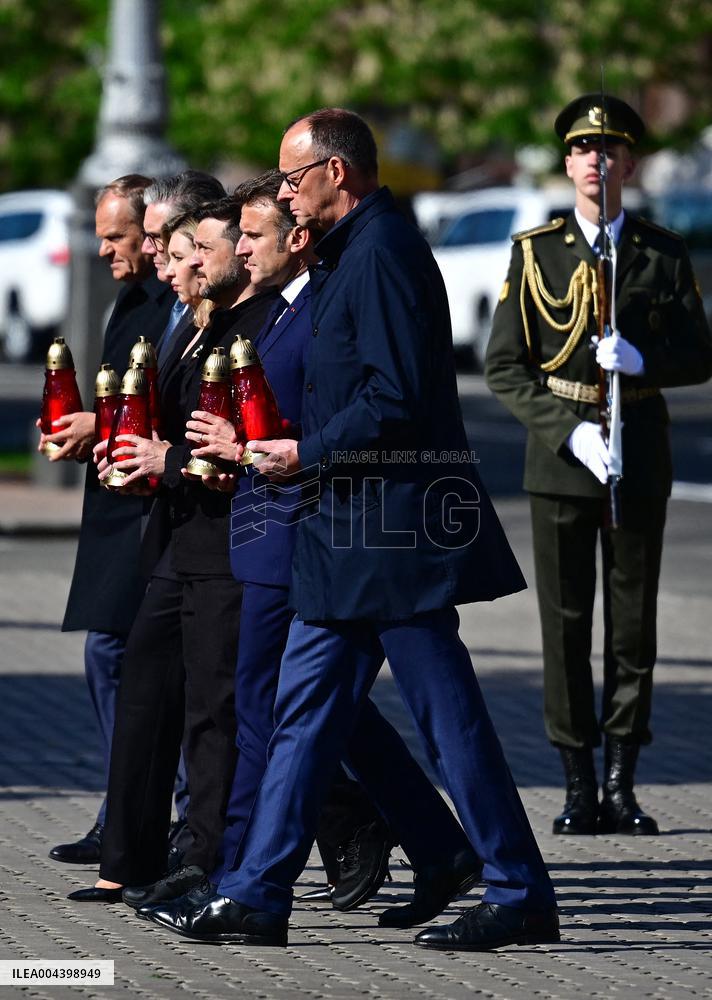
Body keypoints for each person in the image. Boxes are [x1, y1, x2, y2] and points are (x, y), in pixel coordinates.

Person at [143, 109, 559, 952]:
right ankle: (259, 895)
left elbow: (397, 398)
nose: (287, 193)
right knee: (300, 713)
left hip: (393, 536)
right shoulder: (344, 256)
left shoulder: (383, 252)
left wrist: (304, 451)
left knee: (450, 719)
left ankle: (517, 888)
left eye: (296, 178)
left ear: (339, 172)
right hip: (343, 535)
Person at [485, 95, 712, 838]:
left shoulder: (660, 251)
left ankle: (622, 783)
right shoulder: (535, 250)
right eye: (584, 149)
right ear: (567, 162)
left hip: (638, 452)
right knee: (565, 625)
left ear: (630, 164)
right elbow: (506, 367)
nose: (596, 161)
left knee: (633, 627)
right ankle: (577, 784)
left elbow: (699, 353)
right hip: (561, 461)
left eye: (610, 150)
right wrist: (568, 432)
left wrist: (647, 359)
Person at [67, 197, 278, 904]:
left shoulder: (254, 328)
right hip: (176, 539)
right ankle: (125, 858)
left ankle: (206, 861)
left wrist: (168, 456)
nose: (182, 261)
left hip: (227, 541)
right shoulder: (194, 326)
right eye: (186, 250)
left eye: (200, 249)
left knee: (216, 712)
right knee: (144, 692)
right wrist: (128, 457)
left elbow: (234, 441)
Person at [46, 175, 175, 865]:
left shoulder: (172, 302)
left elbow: (172, 402)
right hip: (120, 502)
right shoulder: (131, 300)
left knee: (128, 659)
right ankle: (122, 812)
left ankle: (144, 814)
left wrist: (104, 425)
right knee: (113, 656)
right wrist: (85, 433)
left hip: (156, 511)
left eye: (116, 236)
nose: (102, 249)